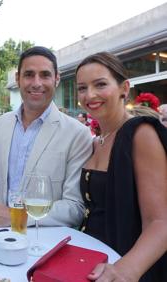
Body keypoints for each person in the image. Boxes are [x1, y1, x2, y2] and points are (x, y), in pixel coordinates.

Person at [76, 52, 167, 281]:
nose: (90, 95)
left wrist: (126, 270)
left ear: (124, 88)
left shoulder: (140, 134)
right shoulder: (96, 141)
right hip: (90, 262)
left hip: (128, 268)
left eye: (100, 84)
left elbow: (161, 222)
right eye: (82, 88)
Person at [0, 46, 93, 227]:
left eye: (45, 75)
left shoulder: (77, 134)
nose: (36, 83)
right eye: (29, 74)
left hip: (46, 241)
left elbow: (74, 207)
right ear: (18, 79)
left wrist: (16, 217)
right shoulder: (1, 124)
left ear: (57, 79)